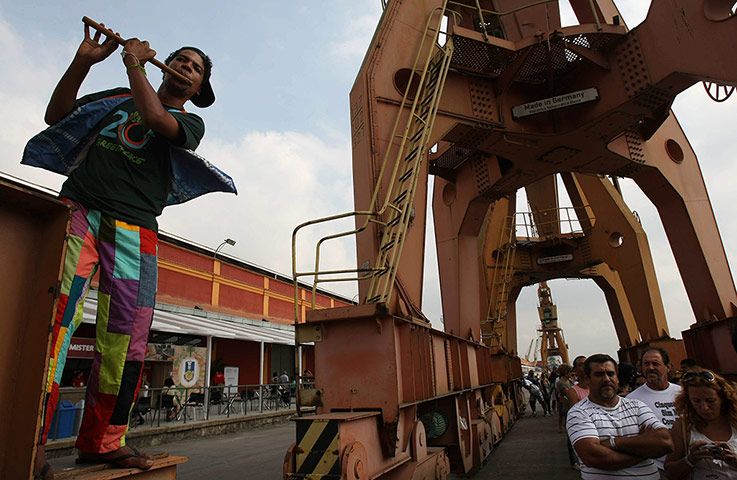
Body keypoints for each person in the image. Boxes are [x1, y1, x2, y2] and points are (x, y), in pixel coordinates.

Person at [23, 23, 233, 478]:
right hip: (79, 210)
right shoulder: (118, 96)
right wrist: (84, 61)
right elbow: (54, 114)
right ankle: (27, 440)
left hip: (135, 229)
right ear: (167, 67)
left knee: (126, 340)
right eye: (180, 59)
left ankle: (102, 442)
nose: (184, 66)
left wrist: (134, 62)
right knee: (53, 322)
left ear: (198, 89)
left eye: (195, 68)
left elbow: (158, 121)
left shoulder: (191, 122)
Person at [567, 354, 674, 479]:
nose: (606, 379)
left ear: (617, 378)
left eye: (611, 374)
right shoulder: (579, 413)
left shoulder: (637, 405)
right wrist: (645, 450)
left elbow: (665, 442)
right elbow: (594, 457)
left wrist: (614, 443)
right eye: (599, 374)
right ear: (587, 379)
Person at [664, 368, 737, 479]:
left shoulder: (734, 421)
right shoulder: (683, 426)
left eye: (710, 400)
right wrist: (690, 460)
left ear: (722, 398)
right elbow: (670, 472)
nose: (704, 408)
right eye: (696, 401)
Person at [628, 348, 682, 477]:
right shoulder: (631, 400)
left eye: (655, 364)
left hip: (687, 463)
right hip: (656, 468)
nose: (650, 368)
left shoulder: (683, 393)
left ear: (668, 367)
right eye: (646, 364)